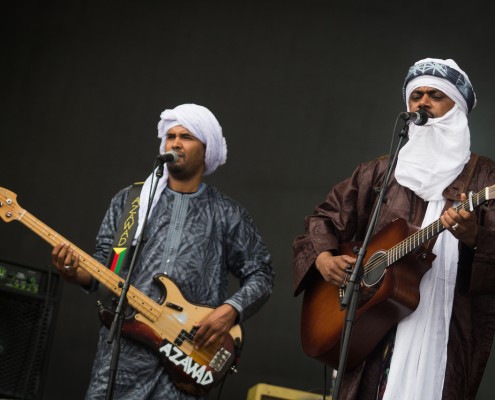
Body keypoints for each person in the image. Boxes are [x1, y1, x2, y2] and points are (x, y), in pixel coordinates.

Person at [292, 58, 495, 400]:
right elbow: (323, 220)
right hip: (373, 317)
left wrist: (475, 237)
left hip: (443, 320)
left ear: (456, 106)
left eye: (435, 95)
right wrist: (323, 258)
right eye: (416, 96)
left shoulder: (486, 177)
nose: (423, 103)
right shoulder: (380, 172)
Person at [51, 103, 275, 399]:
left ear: (206, 149)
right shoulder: (130, 202)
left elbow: (261, 274)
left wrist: (229, 312)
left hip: (187, 360)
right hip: (123, 360)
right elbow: (102, 271)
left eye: (186, 136)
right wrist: (72, 271)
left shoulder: (228, 214)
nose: (175, 143)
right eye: (170, 136)